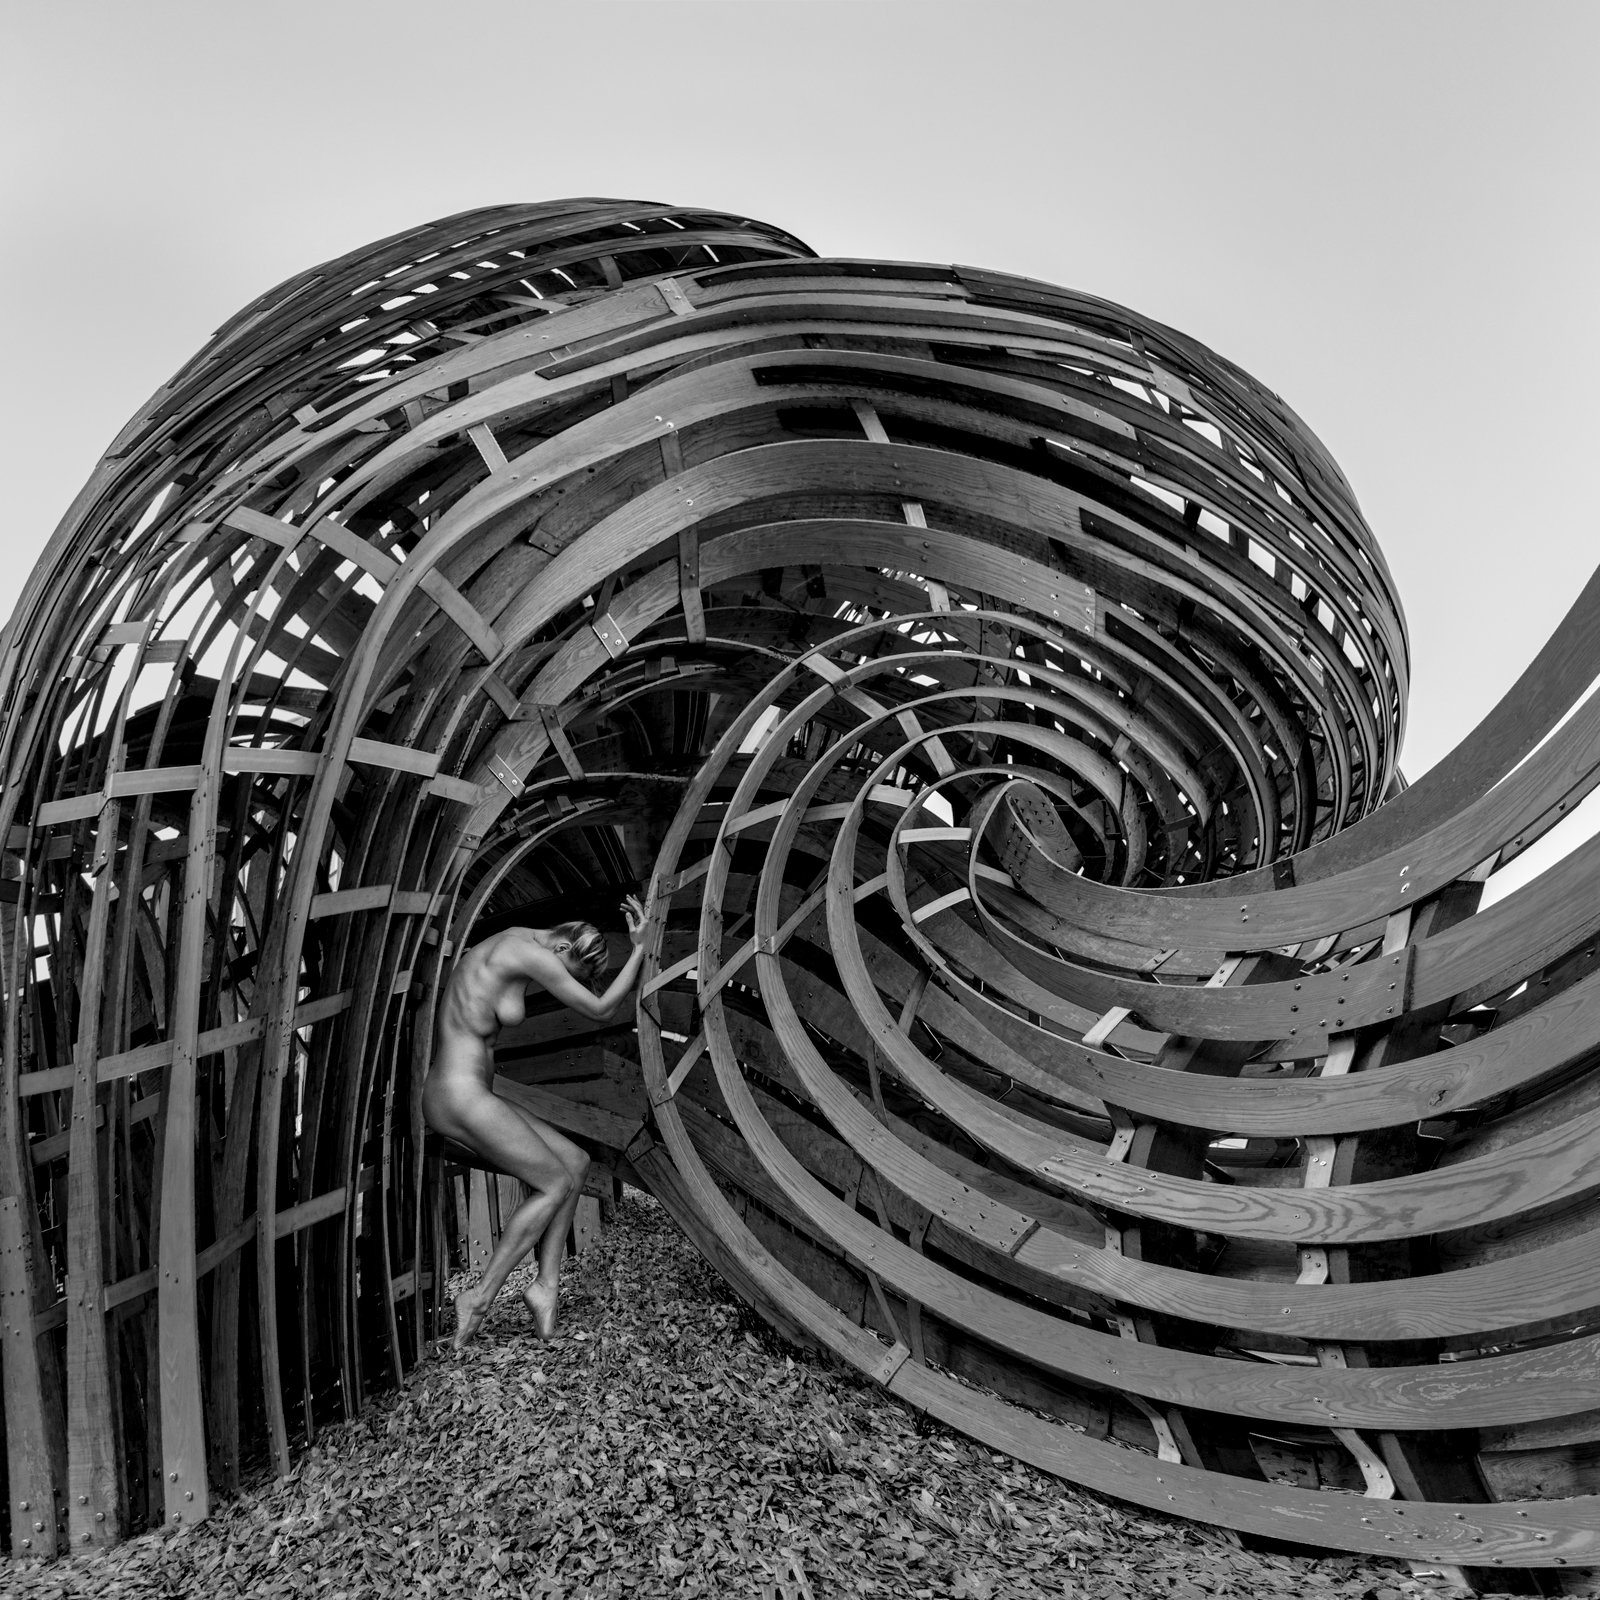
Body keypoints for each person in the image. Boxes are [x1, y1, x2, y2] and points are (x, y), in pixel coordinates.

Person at [423, 896, 648, 1348]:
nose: (561, 982)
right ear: (562, 949)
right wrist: (640, 948)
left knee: (575, 1162)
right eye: (568, 974)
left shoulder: (516, 941)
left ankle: (545, 1288)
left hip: (473, 1092)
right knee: (554, 1183)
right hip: (457, 1095)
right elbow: (601, 1009)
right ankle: (479, 1298)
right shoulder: (529, 952)